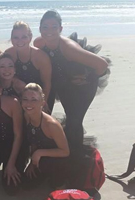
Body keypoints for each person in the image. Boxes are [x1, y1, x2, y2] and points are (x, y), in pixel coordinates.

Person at [33, 10, 108, 149]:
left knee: (75, 120)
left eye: (54, 27)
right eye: (45, 27)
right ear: (40, 29)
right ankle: (61, 148)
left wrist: (87, 77)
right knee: (59, 116)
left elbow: (102, 65)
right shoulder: (39, 43)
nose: (49, 31)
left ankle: (76, 156)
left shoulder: (68, 48)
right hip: (63, 83)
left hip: (82, 87)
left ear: (60, 29)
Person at [20, 83, 70, 189]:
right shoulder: (27, 116)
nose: (29, 103)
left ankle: (62, 182)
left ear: (42, 102)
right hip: (42, 159)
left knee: (55, 186)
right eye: (25, 99)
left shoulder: (51, 124)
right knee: (26, 185)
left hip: (59, 161)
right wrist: (32, 164)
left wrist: (39, 153)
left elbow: (65, 152)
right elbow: (33, 140)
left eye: (34, 100)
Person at [5, 21, 52, 112]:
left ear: (30, 37)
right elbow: (1, 75)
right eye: (16, 37)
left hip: (38, 97)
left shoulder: (41, 57)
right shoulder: (8, 54)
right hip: (16, 97)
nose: (20, 41)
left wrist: (43, 103)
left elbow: (47, 84)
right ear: (11, 39)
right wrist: (15, 80)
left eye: (24, 37)